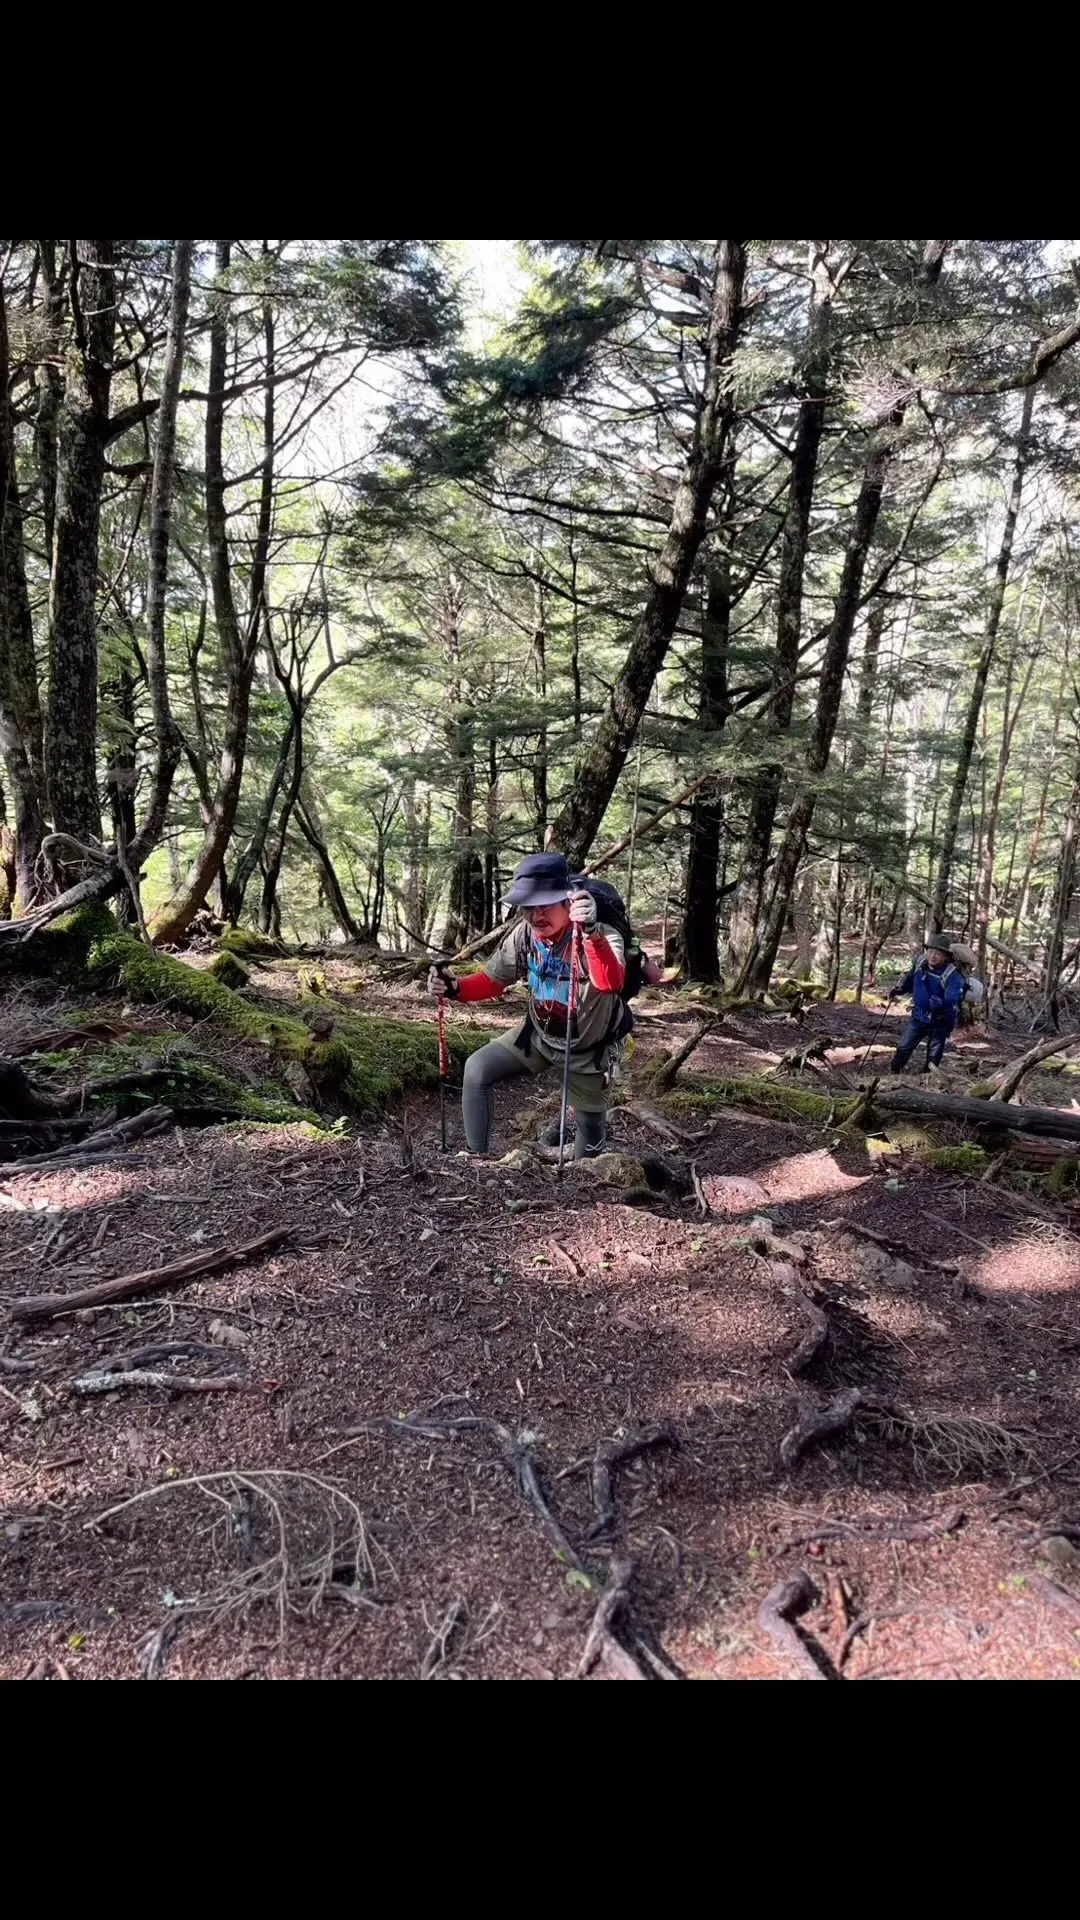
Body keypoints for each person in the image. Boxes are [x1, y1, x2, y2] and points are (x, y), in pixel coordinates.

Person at [428, 851, 626, 1158]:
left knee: (589, 1125)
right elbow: (494, 980)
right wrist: (454, 988)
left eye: (545, 904)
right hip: (537, 1035)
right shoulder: (525, 936)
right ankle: (474, 1161)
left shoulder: (600, 934)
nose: (536, 916)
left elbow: (610, 983)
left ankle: (584, 1183)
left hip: (588, 1048)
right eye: (528, 908)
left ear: (568, 901)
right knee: (477, 1068)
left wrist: (591, 934)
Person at [888, 937, 967, 1073]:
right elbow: (911, 979)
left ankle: (927, 1078)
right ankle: (894, 1073)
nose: (933, 956)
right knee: (904, 1046)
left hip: (941, 1019)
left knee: (934, 1052)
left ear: (946, 956)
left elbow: (952, 997)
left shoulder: (952, 974)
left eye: (938, 953)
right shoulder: (920, 962)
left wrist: (942, 1003)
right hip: (919, 1015)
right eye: (930, 951)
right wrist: (901, 990)